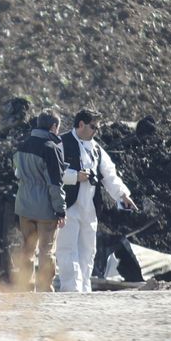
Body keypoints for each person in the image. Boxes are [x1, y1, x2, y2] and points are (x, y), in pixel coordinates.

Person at [55, 109, 137, 293]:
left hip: (90, 205)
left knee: (88, 250)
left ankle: (84, 287)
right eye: (93, 127)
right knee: (67, 248)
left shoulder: (96, 149)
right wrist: (74, 176)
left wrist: (123, 195)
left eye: (97, 128)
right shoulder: (61, 143)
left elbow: (109, 175)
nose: (96, 131)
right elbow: (51, 172)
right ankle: (70, 288)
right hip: (68, 204)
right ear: (81, 124)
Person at [13, 112, 67, 290]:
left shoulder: (22, 145)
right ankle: (44, 287)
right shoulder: (51, 147)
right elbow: (55, 183)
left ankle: (25, 286)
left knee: (27, 249)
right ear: (53, 127)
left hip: (24, 205)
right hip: (45, 208)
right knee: (46, 250)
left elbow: (18, 174)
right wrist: (60, 210)